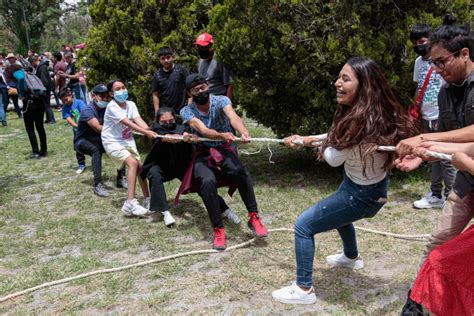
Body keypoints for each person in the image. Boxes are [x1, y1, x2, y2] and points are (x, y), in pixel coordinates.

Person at [272, 57, 417, 305]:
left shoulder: (361, 123)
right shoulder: (370, 114)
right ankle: (351, 257)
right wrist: (306, 138)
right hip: (364, 186)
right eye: (339, 77)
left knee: (303, 226)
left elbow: (332, 157)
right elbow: (334, 138)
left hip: (361, 194)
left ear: (364, 85)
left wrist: (311, 143)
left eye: (345, 79)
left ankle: (303, 289)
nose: (337, 83)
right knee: (340, 215)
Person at [395, 25, 474, 315]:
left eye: (442, 62)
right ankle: (416, 300)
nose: (437, 70)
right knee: (439, 241)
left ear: (464, 53)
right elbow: (446, 143)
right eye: (433, 64)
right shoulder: (443, 93)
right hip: (467, 181)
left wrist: (423, 139)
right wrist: (422, 156)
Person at [179, 73, 268, 250]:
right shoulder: (186, 111)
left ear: (207, 86)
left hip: (225, 149)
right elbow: (202, 129)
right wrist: (221, 134)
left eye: (203, 87)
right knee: (206, 182)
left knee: (239, 171)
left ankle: (254, 216)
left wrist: (243, 131)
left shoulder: (221, 100)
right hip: (203, 153)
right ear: (190, 94)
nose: (201, 91)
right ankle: (218, 229)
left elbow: (233, 117)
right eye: (196, 90)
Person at [140, 107, 240, 227]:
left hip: (183, 166)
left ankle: (225, 210)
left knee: (203, 184)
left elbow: (189, 133)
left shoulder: (182, 127)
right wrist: (181, 137)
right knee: (154, 174)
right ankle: (165, 212)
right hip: (162, 166)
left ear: (174, 118)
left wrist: (193, 138)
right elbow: (167, 137)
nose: (168, 123)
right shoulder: (155, 130)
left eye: (171, 121)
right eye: (164, 122)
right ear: (158, 121)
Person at [410, 23, 456, 209]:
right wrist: (415, 110)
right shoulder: (419, 63)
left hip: (442, 114)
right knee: (432, 155)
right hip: (426, 114)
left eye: (422, 41)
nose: (418, 46)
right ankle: (435, 194)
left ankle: (451, 197)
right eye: (414, 43)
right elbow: (418, 87)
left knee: (446, 159)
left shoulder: (443, 60)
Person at [102, 79, 158, 217]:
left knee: (140, 168)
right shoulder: (112, 107)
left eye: (123, 87)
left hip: (127, 140)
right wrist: (146, 133)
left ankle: (148, 200)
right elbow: (129, 123)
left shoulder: (131, 104)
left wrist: (154, 131)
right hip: (112, 141)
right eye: (117, 89)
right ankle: (129, 203)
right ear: (111, 93)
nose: (122, 90)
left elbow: (138, 120)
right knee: (132, 163)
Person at [74, 84, 112, 197]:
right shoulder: (88, 110)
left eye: (107, 96)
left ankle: (121, 178)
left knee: (118, 146)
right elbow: (97, 128)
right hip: (82, 141)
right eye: (102, 96)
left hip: (98, 139)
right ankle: (98, 184)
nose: (105, 98)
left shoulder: (108, 108)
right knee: (96, 150)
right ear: (94, 96)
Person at [5, 64, 47, 158]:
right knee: (40, 127)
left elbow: (20, 79)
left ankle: (36, 152)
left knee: (30, 128)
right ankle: (44, 151)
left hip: (29, 103)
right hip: (40, 101)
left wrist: (21, 93)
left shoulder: (18, 73)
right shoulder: (28, 73)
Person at [194, 33, 233, 99]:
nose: (201, 50)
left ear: (211, 46)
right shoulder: (201, 61)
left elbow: (230, 85)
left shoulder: (220, 60)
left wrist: (228, 104)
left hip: (219, 98)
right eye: (199, 47)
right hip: (205, 99)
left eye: (203, 47)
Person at [152, 47, 189, 113]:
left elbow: (189, 88)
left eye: (168, 57)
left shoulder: (181, 69)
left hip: (183, 109)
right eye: (163, 58)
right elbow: (155, 94)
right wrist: (157, 112)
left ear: (173, 57)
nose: (166, 60)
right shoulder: (157, 75)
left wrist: (189, 106)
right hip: (166, 112)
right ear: (159, 60)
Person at [59, 88, 87, 174]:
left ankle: (96, 160)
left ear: (70, 95)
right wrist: (76, 126)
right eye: (63, 101)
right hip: (77, 131)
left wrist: (82, 125)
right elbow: (68, 118)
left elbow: (85, 114)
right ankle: (81, 164)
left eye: (66, 99)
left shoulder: (79, 103)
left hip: (86, 129)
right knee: (77, 147)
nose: (65, 102)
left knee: (92, 145)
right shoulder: (65, 107)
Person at [30, 56, 56, 124]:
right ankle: (48, 119)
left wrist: (41, 89)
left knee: (47, 105)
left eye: (31, 63)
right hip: (44, 88)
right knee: (45, 104)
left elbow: (44, 80)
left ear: (34, 61)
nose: (31, 65)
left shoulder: (42, 67)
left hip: (45, 89)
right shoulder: (40, 67)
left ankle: (52, 119)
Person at [2, 53, 22, 119]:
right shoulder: (7, 68)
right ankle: (3, 116)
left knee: (15, 102)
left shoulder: (17, 66)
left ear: (14, 58)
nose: (10, 60)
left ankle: (20, 115)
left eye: (11, 58)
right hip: (6, 87)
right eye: (9, 58)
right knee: (6, 103)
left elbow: (19, 77)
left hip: (13, 87)